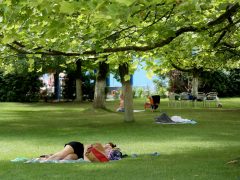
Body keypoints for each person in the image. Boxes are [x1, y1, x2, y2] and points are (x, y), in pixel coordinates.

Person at [38, 141, 118, 162]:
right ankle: (43, 162)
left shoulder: (107, 155)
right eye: (107, 146)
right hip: (77, 146)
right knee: (60, 155)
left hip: (79, 156)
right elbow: (87, 146)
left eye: (109, 147)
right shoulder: (98, 146)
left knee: (66, 158)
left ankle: (47, 157)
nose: (107, 148)